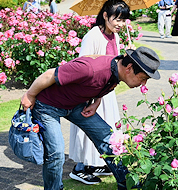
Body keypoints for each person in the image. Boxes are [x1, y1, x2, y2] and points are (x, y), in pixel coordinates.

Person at [20, 43, 160, 190]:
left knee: (110, 140)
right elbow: (49, 74)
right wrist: (29, 95)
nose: (144, 83)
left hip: (75, 105)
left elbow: (103, 84)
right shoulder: (90, 69)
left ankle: (129, 186)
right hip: (47, 106)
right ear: (129, 68)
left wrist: (96, 101)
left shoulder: (116, 69)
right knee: (56, 153)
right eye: (143, 78)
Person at [68, 0, 130, 184]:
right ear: (105, 16)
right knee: (87, 127)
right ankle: (80, 167)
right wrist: (93, 96)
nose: (120, 24)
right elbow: (83, 66)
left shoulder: (115, 36)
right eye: (116, 19)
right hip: (90, 90)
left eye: (123, 19)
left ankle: (95, 162)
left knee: (105, 126)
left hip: (106, 89)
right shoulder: (93, 36)